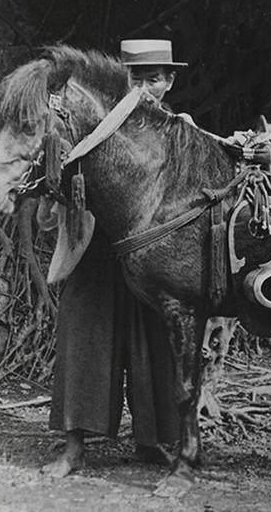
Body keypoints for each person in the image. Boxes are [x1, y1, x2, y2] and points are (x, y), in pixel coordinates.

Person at [41, 39, 188, 477]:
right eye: (137, 78)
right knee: (83, 339)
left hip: (154, 253)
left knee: (158, 345)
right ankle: (73, 448)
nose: (145, 87)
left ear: (170, 81)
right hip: (96, 249)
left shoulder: (180, 130)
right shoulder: (95, 123)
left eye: (155, 78)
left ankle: (152, 442)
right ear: (121, 79)